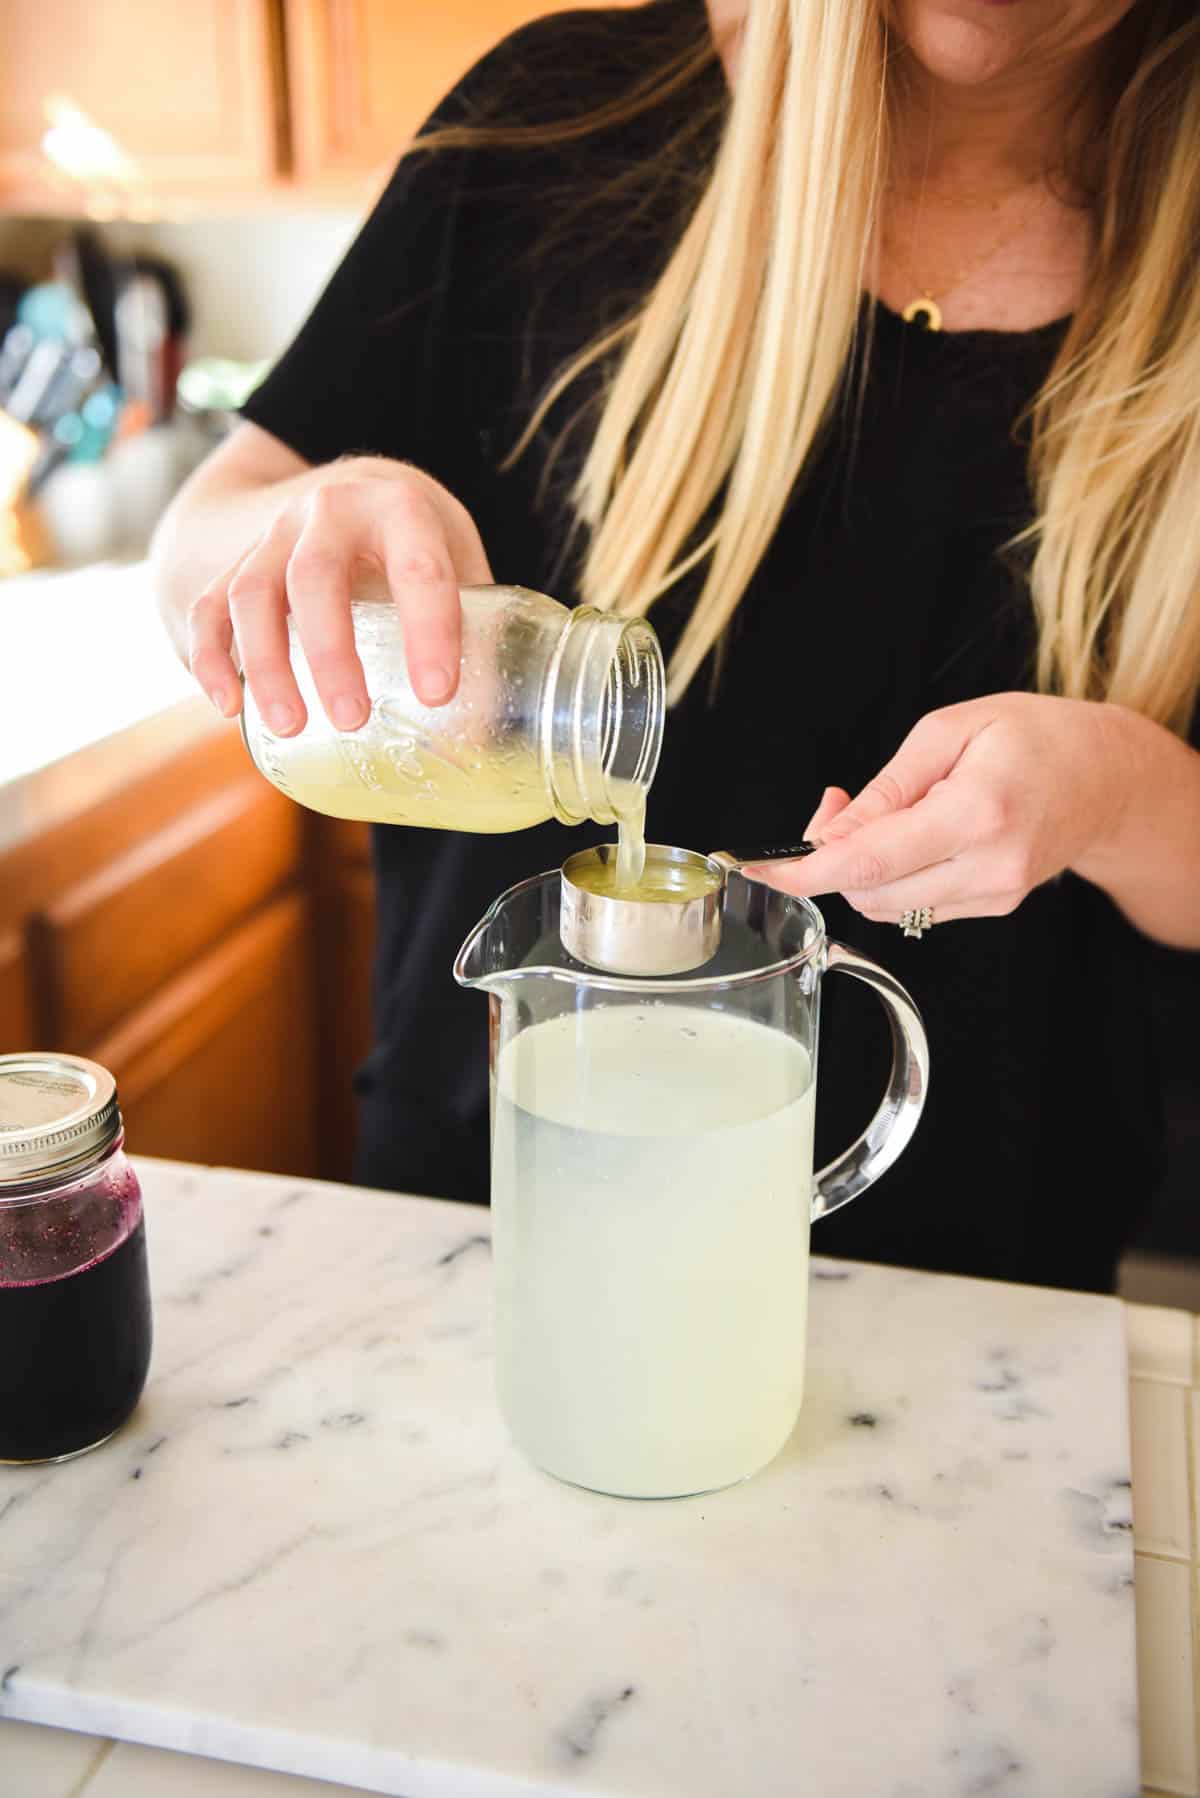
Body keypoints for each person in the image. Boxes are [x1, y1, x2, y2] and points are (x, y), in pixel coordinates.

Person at [152, 0, 1200, 1293]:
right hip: (481, 1247)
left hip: (982, 1313)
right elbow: (197, 539)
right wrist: (291, 527)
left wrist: (1111, 785)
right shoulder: (556, 120)